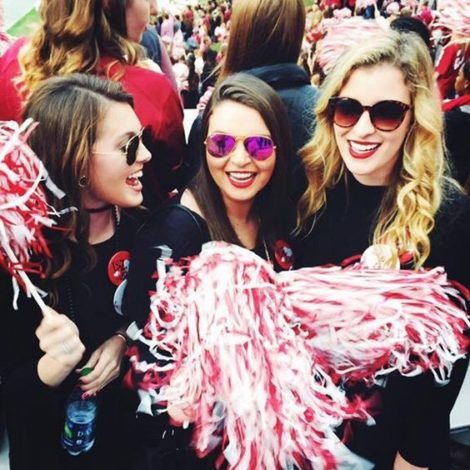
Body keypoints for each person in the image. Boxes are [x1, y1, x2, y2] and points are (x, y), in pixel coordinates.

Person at [295, 30, 470, 469]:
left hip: (393, 450)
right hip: (310, 438)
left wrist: (412, 459)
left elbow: (450, 359)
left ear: (415, 119)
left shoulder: (449, 215)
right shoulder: (308, 195)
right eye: (348, 109)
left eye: (387, 113)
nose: (362, 129)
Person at [123, 73, 295, 469]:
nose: (240, 160)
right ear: (204, 148)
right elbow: (144, 359)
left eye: (259, 145)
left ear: (279, 149)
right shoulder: (175, 236)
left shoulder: (278, 214)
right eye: (222, 144)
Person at [0, 73, 151, 470]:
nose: (146, 154)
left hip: (128, 448)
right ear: (77, 158)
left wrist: (123, 339)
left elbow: (157, 324)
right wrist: (49, 369)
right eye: (128, 145)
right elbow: (10, 394)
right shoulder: (18, 258)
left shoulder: (145, 229)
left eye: (142, 138)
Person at [0, 0, 187, 208]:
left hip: (32, 219)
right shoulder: (151, 90)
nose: (154, 8)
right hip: (135, 223)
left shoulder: (11, 61)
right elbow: (171, 174)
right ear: (110, 4)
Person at [188, 0, 318, 202]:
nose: (241, 160)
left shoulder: (211, 118)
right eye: (222, 145)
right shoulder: (323, 110)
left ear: (240, 33)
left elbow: (192, 190)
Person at [443, 60, 470, 189]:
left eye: (459, 75)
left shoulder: (454, 118)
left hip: (448, 179)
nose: (456, 79)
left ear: (466, 83)